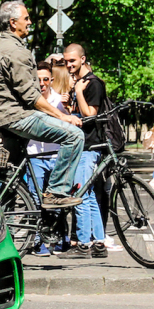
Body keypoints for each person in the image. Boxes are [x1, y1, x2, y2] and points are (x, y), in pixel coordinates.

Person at [0, 1, 84, 209]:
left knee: (12, 176)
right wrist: (63, 116)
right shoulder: (16, 52)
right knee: (74, 136)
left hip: (5, 118)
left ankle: (6, 218)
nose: (30, 22)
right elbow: (31, 96)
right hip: (18, 117)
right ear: (13, 23)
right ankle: (57, 192)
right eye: (26, 18)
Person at [62, 42, 108, 258]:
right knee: (87, 194)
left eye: (72, 60)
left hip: (89, 146)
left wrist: (78, 92)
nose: (68, 64)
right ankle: (98, 242)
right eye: (66, 61)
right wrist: (67, 106)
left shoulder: (93, 84)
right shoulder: (80, 83)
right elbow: (78, 115)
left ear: (82, 59)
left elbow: (90, 114)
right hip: (83, 144)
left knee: (79, 194)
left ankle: (82, 244)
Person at [26, 63, 68, 255]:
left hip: (55, 155)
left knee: (57, 199)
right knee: (35, 199)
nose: (42, 83)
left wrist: (66, 109)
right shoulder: (29, 99)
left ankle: (58, 238)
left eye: (45, 79)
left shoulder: (60, 100)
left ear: (51, 80)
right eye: (38, 79)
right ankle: (36, 242)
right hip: (35, 154)